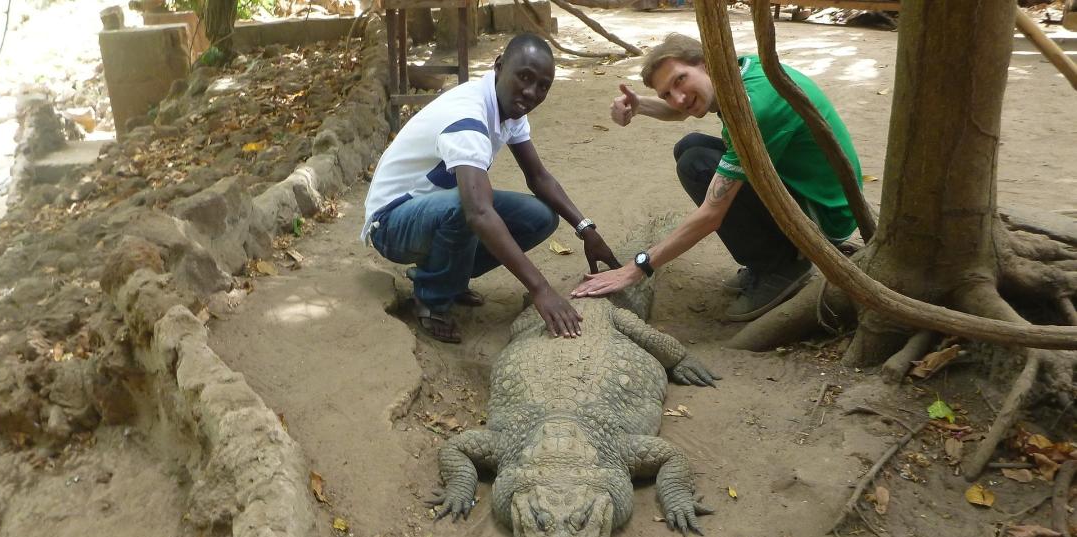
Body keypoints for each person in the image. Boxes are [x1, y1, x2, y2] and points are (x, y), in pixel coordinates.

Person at [571, 33, 862, 321]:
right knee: (689, 146)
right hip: (811, 190)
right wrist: (641, 105)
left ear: (706, 63)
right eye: (667, 94)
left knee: (697, 163)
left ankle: (781, 268)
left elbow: (712, 215)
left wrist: (636, 268)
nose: (678, 98)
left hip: (822, 217)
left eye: (679, 80)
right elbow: (686, 110)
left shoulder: (752, 107)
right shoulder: (741, 72)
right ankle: (775, 257)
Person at [361, 34, 619, 343]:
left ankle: (448, 278)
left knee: (540, 216)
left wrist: (586, 229)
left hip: (431, 209)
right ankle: (432, 300)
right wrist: (541, 289)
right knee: (468, 206)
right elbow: (478, 213)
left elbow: (538, 177)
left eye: (542, 86)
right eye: (524, 77)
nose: (531, 92)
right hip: (390, 223)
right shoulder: (467, 117)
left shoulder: (508, 107)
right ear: (499, 67)